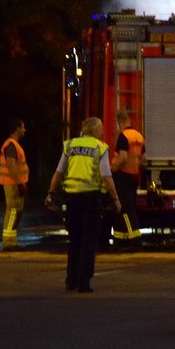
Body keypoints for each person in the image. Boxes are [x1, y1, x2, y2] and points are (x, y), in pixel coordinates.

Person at [45, 117, 121, 293]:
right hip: (91, 199)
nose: (103, 132)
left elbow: (59, 171)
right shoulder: (99, 147)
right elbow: (106, 176)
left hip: (71, 199)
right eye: (101, 129)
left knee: (75, 240)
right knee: (89, 241)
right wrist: (115, 198)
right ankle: (83, 282)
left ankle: (71, 280)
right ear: (93, 131)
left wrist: (50, 193)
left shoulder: (70, 145)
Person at [107, 109, 145, 249]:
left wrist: (112, 170)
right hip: (134, 176)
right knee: (125, 209)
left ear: (120, 122)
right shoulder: (138, 136)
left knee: (124, 209)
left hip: (122, 176)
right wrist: (134, 167)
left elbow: (122, 157)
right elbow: (143, 158)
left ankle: (135, 240)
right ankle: (120, 240)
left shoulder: (123, 136)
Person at [0, 119, 28, 251]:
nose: (24, 130)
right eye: (23, 127)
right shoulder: (11, 145)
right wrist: (20, 183)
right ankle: (8, 243)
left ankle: (12, 241)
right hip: (13, 184)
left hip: (14, 183)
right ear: (17, 129)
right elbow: (11, 165)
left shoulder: (13, 145)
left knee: (15, 212)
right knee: (13, 211)